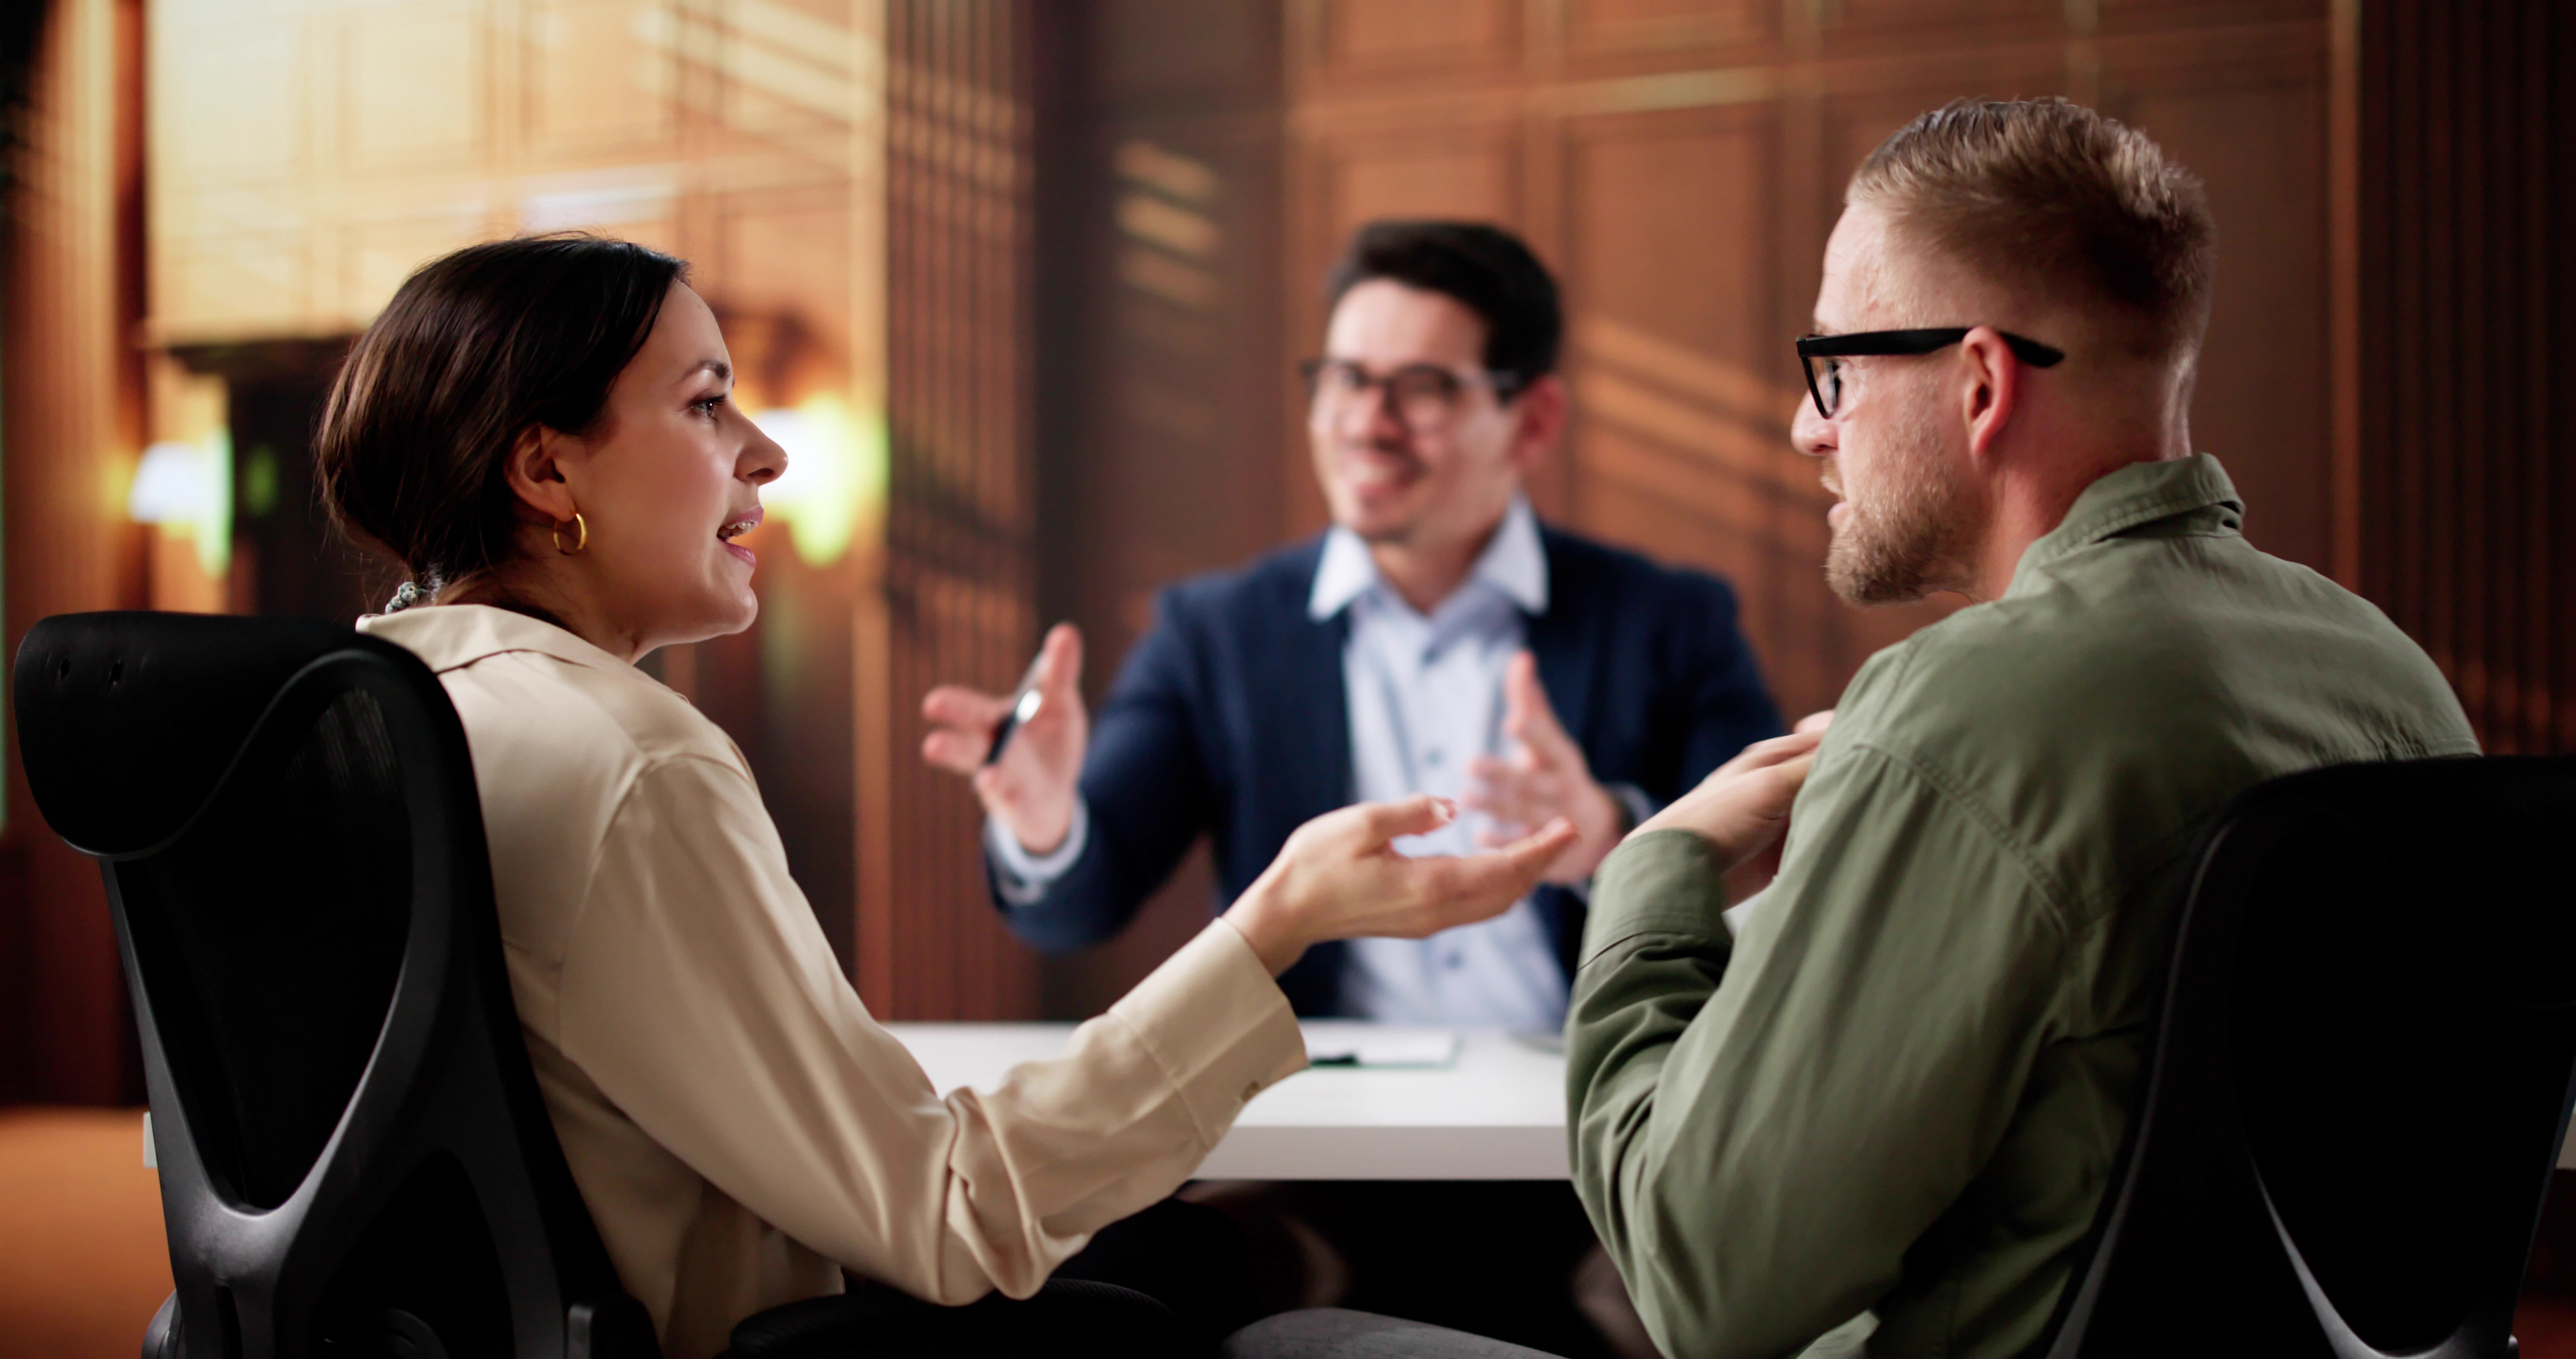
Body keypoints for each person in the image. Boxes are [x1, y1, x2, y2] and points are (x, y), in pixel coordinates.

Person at [316, 234, 1579, 1359]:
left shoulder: (354, 720)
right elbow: (944, 1213)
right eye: (708, 407)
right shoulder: (639, 759)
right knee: (1209, 1275)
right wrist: (1282, 914)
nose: (770, 447)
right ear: (546, 472)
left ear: (1529, 419)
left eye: (1419, 387)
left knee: (1194, 1252)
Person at [1558, 98, 2481, 1359]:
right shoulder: (2394, 679)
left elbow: (1707, 1286)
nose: (1807, 427)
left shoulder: (1957, 718)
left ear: (1981, 382)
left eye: (1838, 368)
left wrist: (1650, 873)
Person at [922, 219, 1782, 1028]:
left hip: (1597, 1133)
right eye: (1345, 381)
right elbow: (1083, 907)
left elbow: (1777, 876)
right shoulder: (1213, 632)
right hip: (1315, 1136)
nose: (1368, 426)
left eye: (1423, 389)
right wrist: (1043, 822)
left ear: (1533, 420)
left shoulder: (1670, 619)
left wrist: (1609, 837)